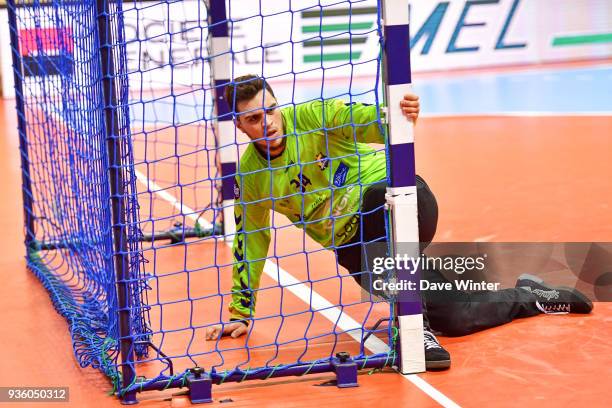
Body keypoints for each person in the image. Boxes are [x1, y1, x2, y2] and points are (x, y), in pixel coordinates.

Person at [205, 75, 593, 371]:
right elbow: (251, 238)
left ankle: (414, 328)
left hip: (399, 200)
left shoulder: (311, 116)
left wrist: (395, 115)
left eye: (270, 109)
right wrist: (242, 310)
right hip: (356, 252)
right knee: (457, 316)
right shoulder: (251, 176)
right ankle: (530, 294)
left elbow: (364, 120)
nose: (268, 122)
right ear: (239, 125)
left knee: (379, 204)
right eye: (254, 118)